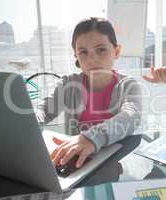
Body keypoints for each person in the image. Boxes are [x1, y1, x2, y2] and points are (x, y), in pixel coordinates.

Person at [37, 17, 142, 168]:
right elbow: (43, 110)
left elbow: (132, 115)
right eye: (83, 52)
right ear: (76, 56)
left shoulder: (128, 85)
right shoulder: (68, 84)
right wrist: (28, 123)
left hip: (115, 162)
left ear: (117, 51)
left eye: (101, 50)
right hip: (77, 162)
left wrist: (92, 138)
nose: (92, 59)